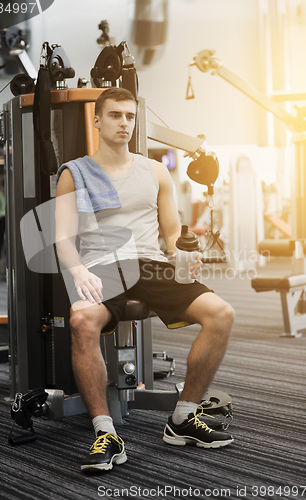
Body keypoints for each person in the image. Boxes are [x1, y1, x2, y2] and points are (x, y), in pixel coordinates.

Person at [55, 87, 235, 472]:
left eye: (130, 117)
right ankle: (106, 432)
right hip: (103, 267)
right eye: (116, 115)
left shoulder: (154, 170)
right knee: (81, 320)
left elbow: (170, 230)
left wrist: (183, 253)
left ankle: (183, 418)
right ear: (97, 120)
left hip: (151, 265)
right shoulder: (75, 173)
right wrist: (78, 271)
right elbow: (62, 240)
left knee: (221, 313)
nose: (124, 123)